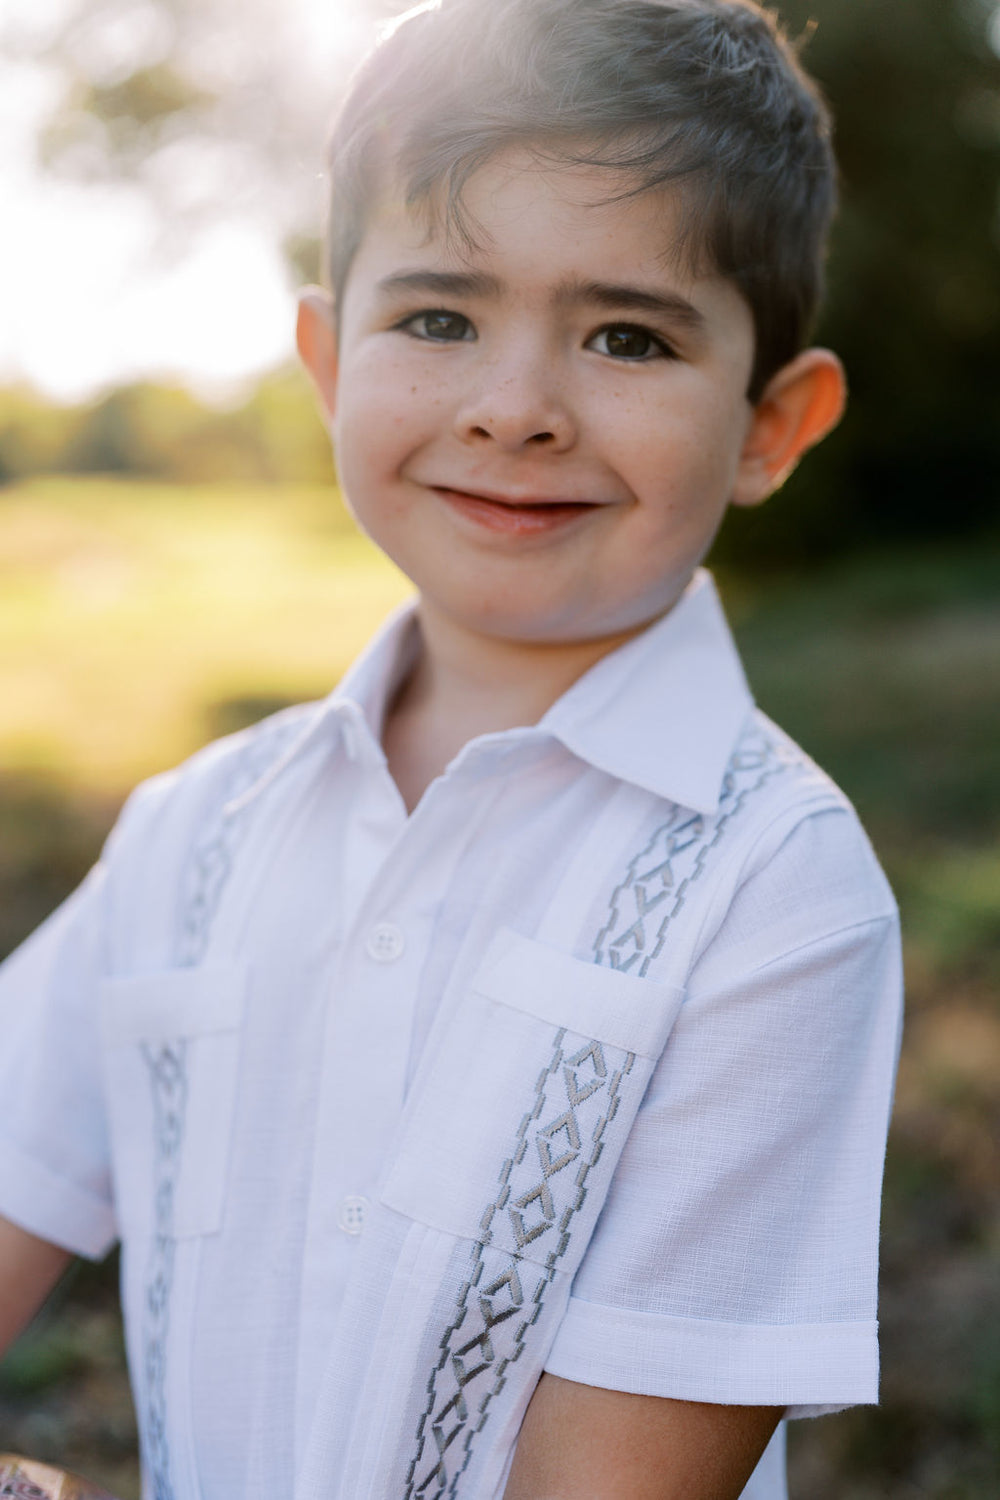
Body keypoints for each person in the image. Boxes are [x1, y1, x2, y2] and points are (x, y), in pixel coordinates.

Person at [0, 0, 904, 1495]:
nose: (515, 409)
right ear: (329, 360)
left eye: (627, 335)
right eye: (437, 318)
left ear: (770, 427)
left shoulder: (776, 897)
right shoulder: (194, 830)